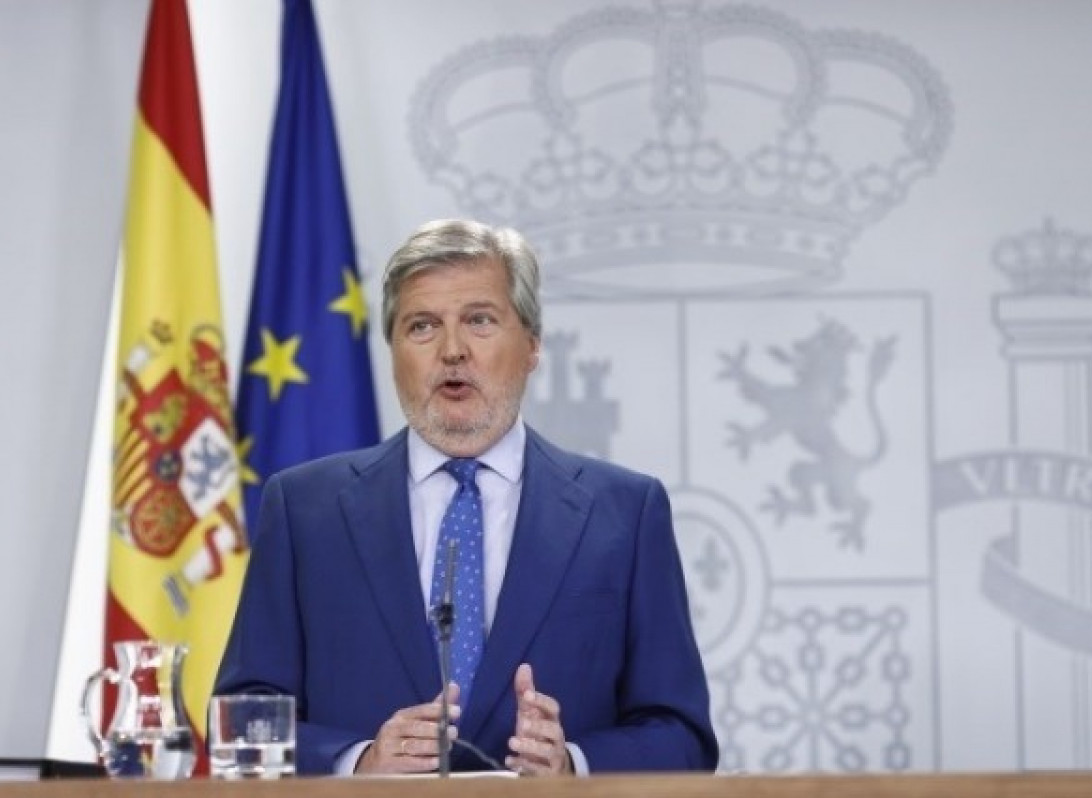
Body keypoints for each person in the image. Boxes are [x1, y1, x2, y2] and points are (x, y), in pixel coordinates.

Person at [214, 219, 718, 775]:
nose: (452, 351)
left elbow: (682, 736)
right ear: (393, 350)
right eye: (422, 326)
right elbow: (239, 725)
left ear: (532, 344)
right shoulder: (304, 510)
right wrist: (356, 762)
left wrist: (573, 765)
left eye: (479, 320)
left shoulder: (624, 513)